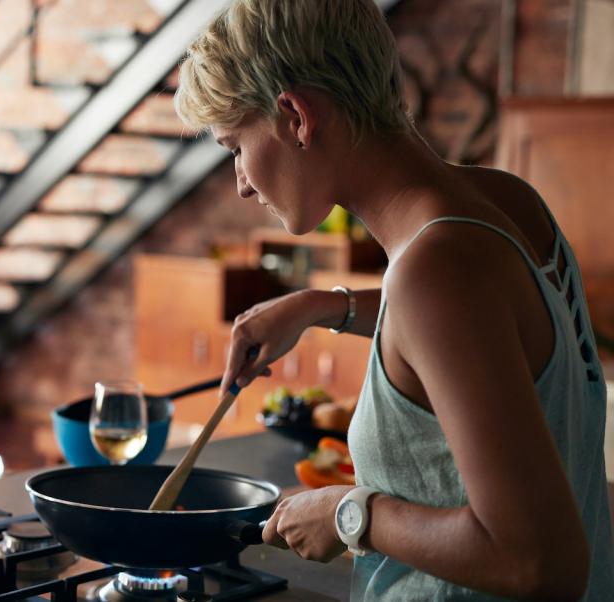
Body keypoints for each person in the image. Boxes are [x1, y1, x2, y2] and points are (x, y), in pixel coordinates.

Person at [174, 0, 614, 599]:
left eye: (234, 146)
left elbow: (541, 562)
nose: (242, 183)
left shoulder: (436, 274)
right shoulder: (508, 204)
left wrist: (351, 515)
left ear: (296, 117)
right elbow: (484, 333)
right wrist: (323, 305)